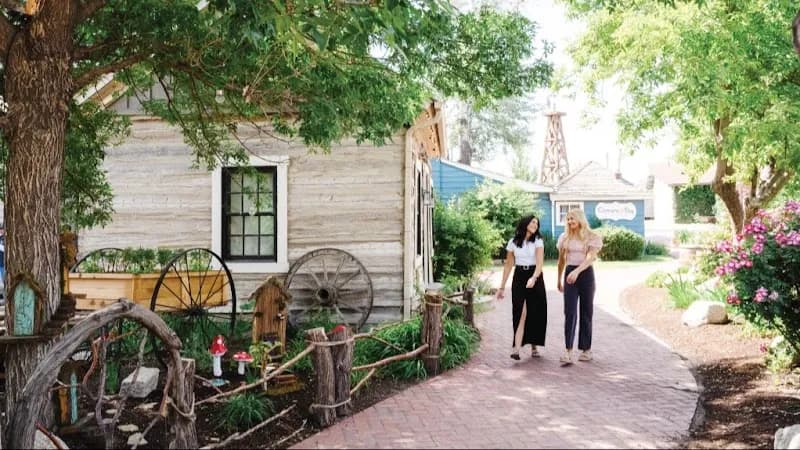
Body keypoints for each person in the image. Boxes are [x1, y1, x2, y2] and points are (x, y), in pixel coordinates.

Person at [495, 215, 547, 360]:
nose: (535, 225)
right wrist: (502, 287)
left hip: (534, 275)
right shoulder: (513, 242)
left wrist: (534, 277)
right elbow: (508, 265)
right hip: (519, 276)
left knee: (534, 311)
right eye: (533, 222)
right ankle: (516, 349)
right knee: (520, 311)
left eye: (537, 223)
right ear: (525, 223)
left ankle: (534, 345)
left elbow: (540, 263)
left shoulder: (538, 241)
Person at [556, 208, 603, 364]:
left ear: (580, 219)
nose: (569, 222)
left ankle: (585, 350)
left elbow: (590, 258)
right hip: (570, 274)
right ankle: (568, 351)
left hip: (585, 274)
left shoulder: (592, 237)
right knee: (569, 312)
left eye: (572, 218)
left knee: (586, 312)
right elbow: (561, 260)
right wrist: (558, 279)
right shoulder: (564, 238)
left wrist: (577, 271)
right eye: (568, 219)